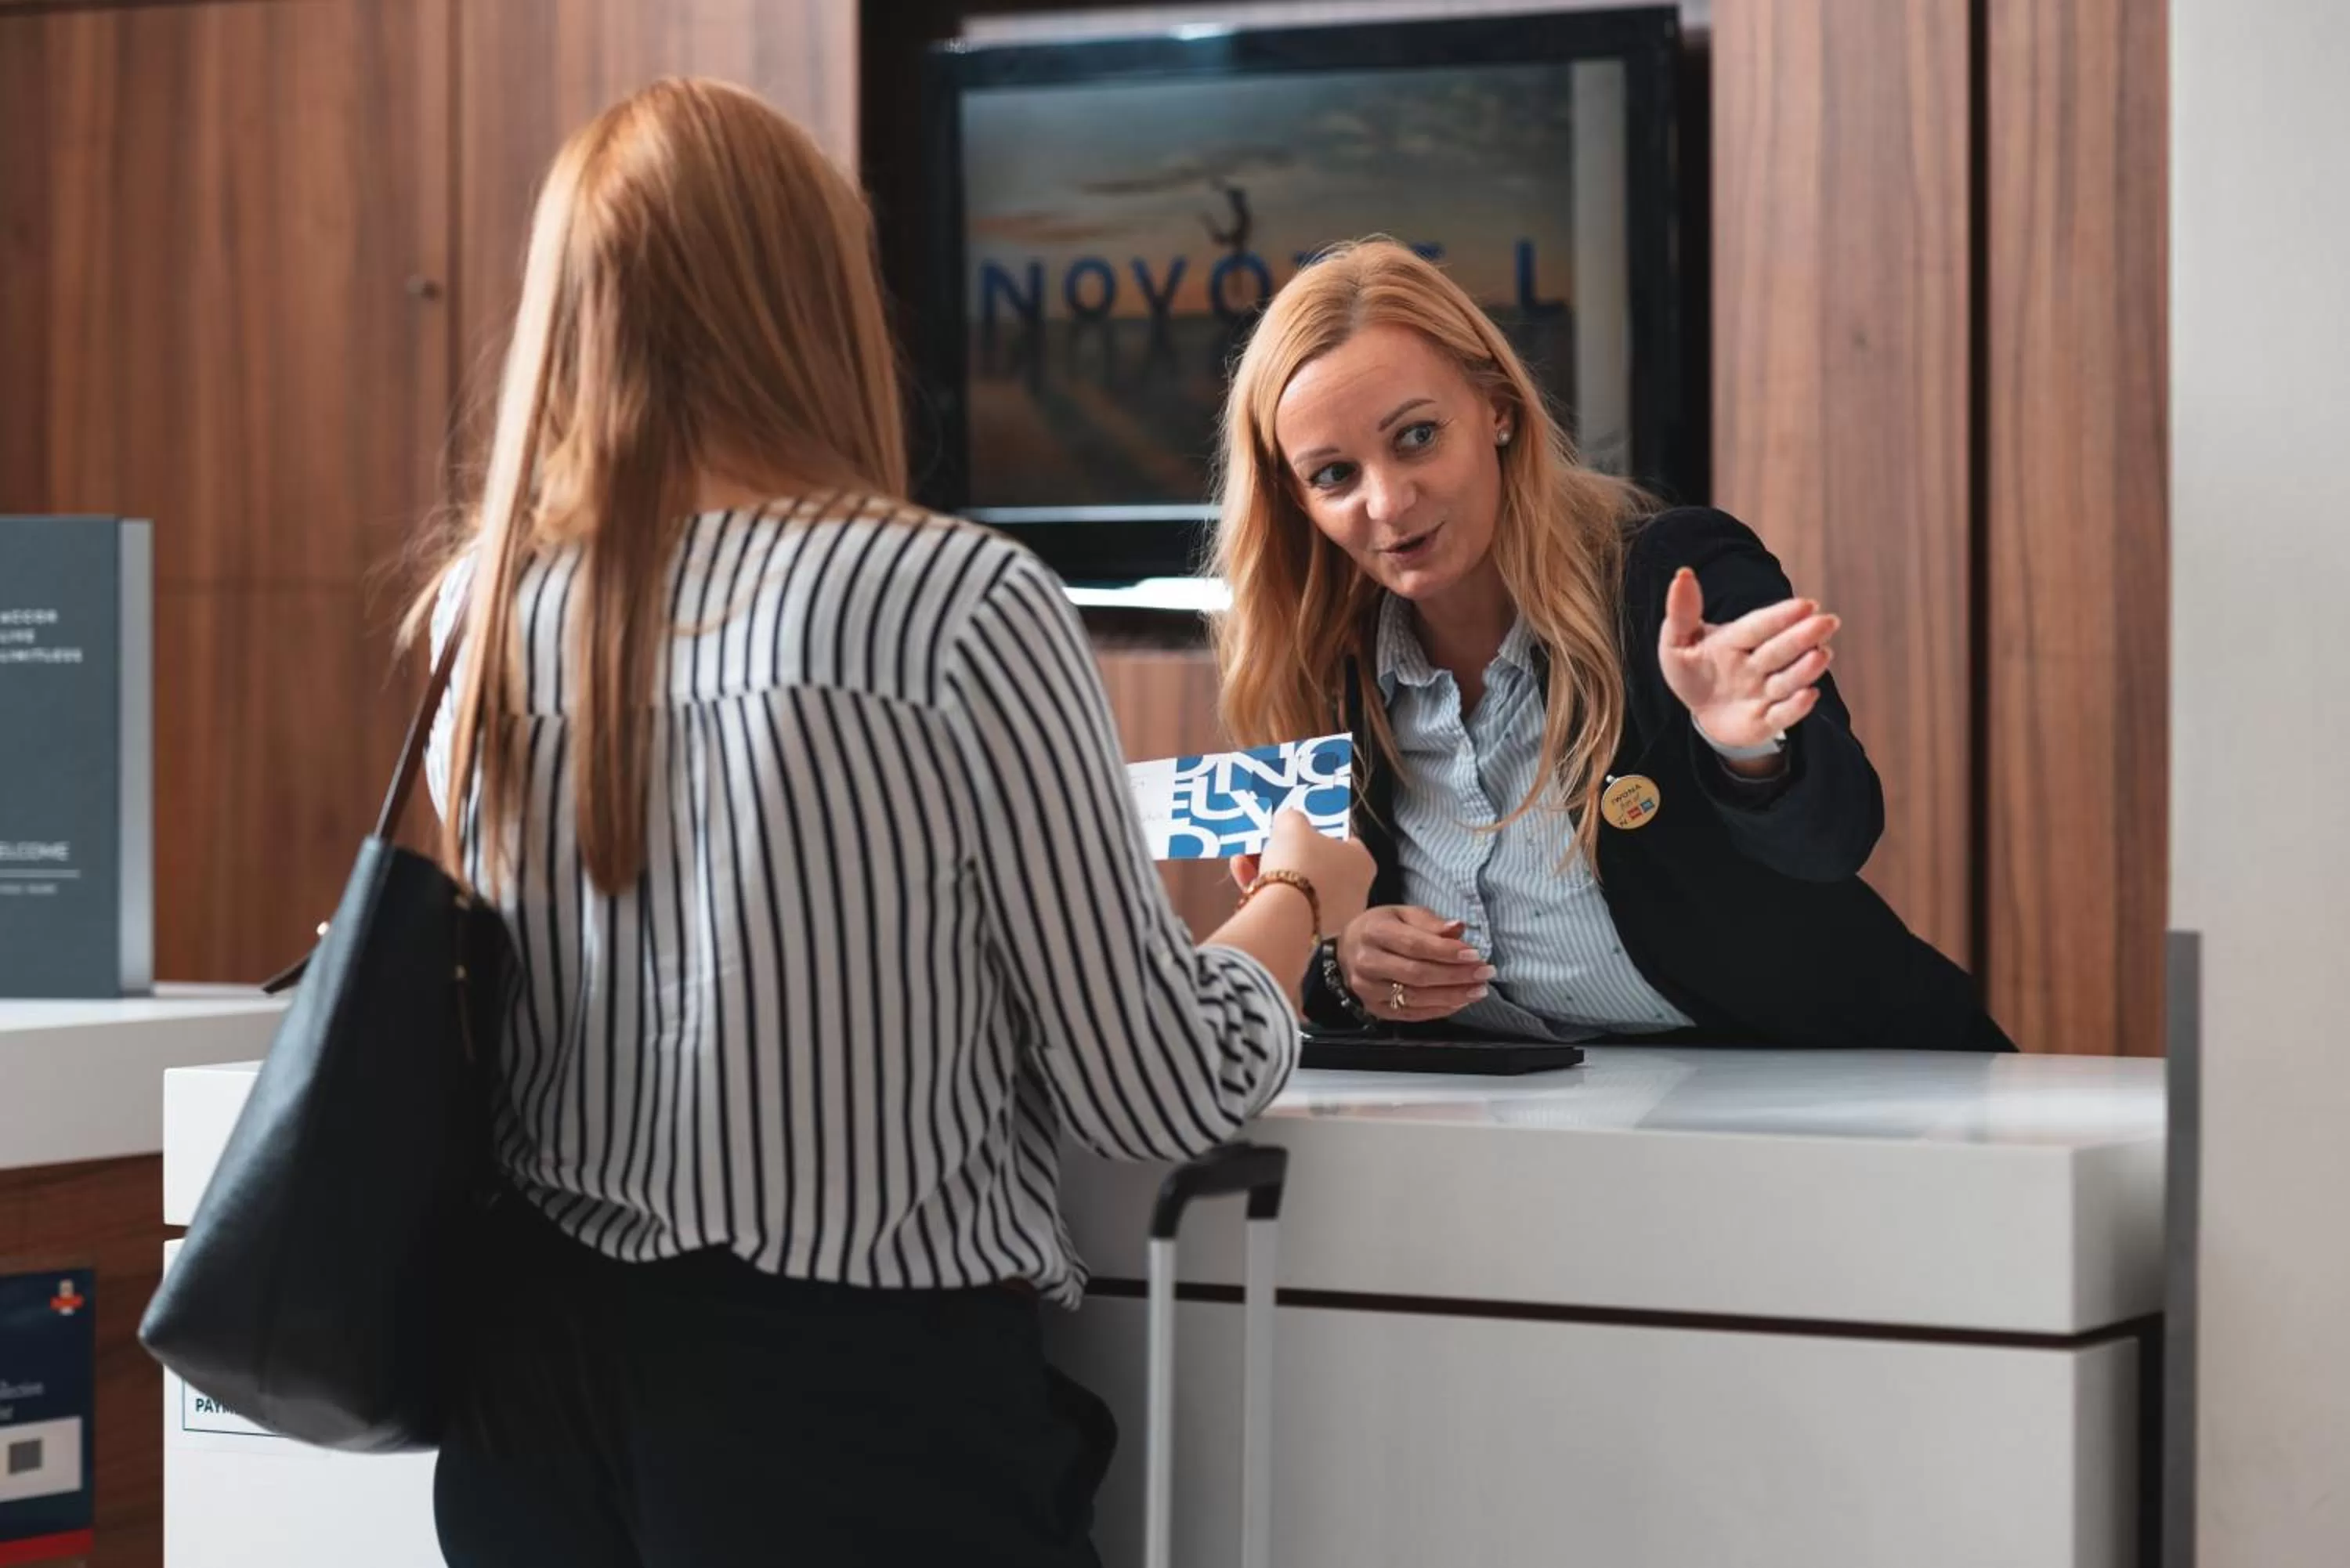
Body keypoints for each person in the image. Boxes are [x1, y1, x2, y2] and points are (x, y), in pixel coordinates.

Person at [412, 79, 1374, 1568]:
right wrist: (1302, 896)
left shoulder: (487, 609)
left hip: (525, 1413)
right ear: (815, 293)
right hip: (847, 1424)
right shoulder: (953, 601)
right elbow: (1158, 1089)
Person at [1213, 239, 2011, 1053]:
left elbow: (1836, 841)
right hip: (1538, 1119)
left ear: (1499, 408)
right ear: (1296, 499)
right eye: (1335, 475)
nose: (1387, 501)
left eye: (1416, 436)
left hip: (1837, 1098)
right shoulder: (1324, 668)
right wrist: (1348, 965)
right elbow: (1308, 954)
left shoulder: (1672, 577)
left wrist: (1753, 749)